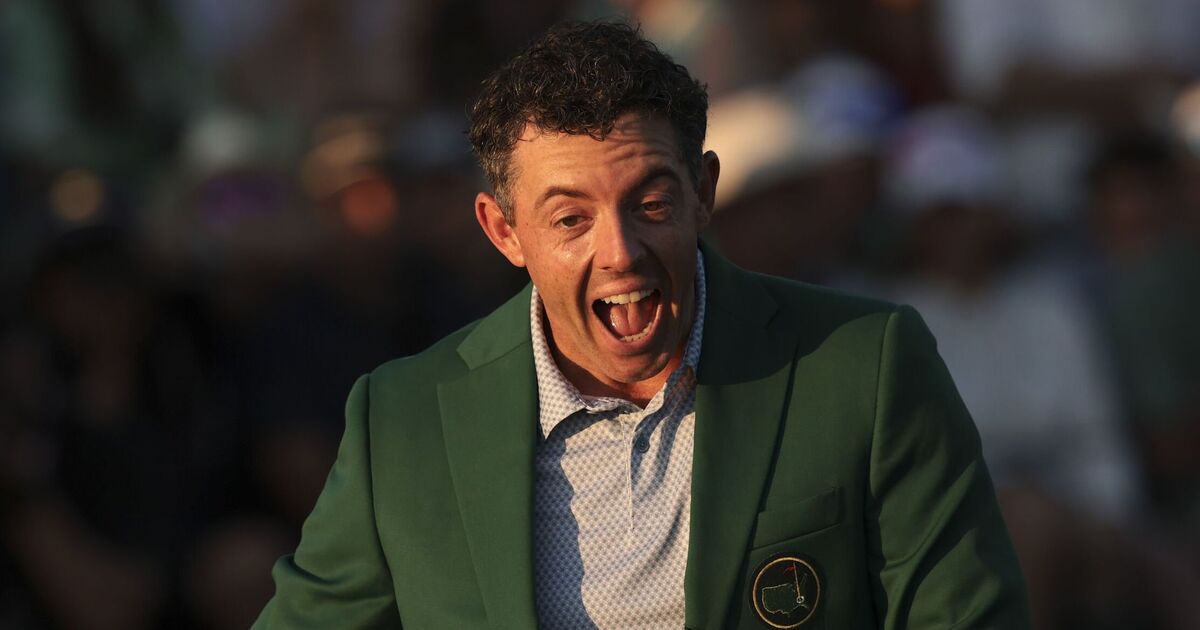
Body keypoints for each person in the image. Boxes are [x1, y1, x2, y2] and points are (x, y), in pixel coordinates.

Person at [252, 21, 1029, 629]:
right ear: (504, 231)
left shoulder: (865, 366)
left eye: (651, 204)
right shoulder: (404, 422)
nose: (620, 252)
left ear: (704, 193)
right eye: (570, 219)